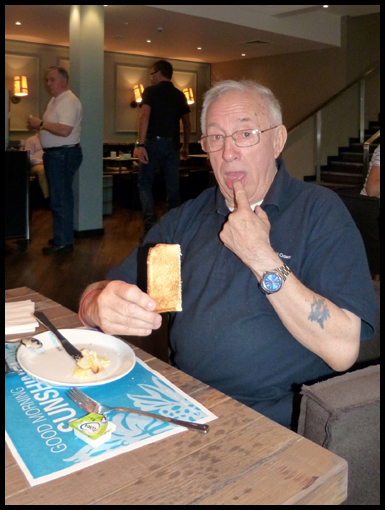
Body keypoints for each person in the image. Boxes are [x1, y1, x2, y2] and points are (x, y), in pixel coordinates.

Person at [77, 80, 377, 429]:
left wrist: (259, 255)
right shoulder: (186, 218)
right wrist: (96, 305)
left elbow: (343, 349)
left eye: (245, 134)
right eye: (215, 137)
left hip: (277, 423)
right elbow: (99, 292)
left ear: (277, 141)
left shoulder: (319, 212)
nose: (228, 152)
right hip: (182, 403)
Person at [27, 66, 82, 254]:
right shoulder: (55, 100)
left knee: (61, 199)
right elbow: (55, 128)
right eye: (46, 80)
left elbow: (65, 130)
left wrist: (40, 124)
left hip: (63, 154)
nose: (48, 84)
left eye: (52, 80)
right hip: (57, 154)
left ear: (64, 80)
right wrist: (40, 126)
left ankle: (64, 242)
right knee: (59, 198)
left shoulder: (68, 100)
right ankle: (61, 237)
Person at [137, 60, 191, 235]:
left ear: (158, 73)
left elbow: (144, 118)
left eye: (152, 73)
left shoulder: (150, 92)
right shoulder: (179, 95)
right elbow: (187, 124)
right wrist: (185, 147)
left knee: (145, 184)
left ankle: (150, 227)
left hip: (153, 143)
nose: (151, 77)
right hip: (172, 144)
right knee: (173, 187)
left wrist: (141, 144)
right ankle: (174, 227)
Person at [25, 130, 50, 203]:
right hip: (35, 165)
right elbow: (28, 157)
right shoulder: (31, 140)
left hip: (48, 163)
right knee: (42, 170)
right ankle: (47, 198)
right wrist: (41, 162)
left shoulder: (49, 140)